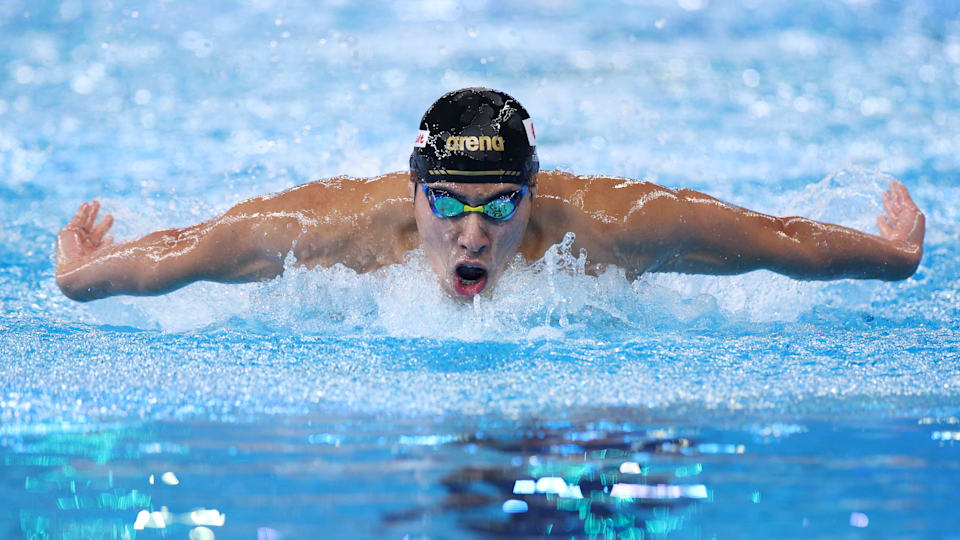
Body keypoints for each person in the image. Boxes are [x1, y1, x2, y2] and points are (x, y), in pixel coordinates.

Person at [55, 87, 925, 303]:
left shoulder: (615, 226)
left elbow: (783, 242)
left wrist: (893, 258)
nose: (473, 234)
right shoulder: (334, 229)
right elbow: (190, 252)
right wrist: (81, 275)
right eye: (453, 204)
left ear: (534, 192)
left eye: (500, 206)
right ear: (415, 188)